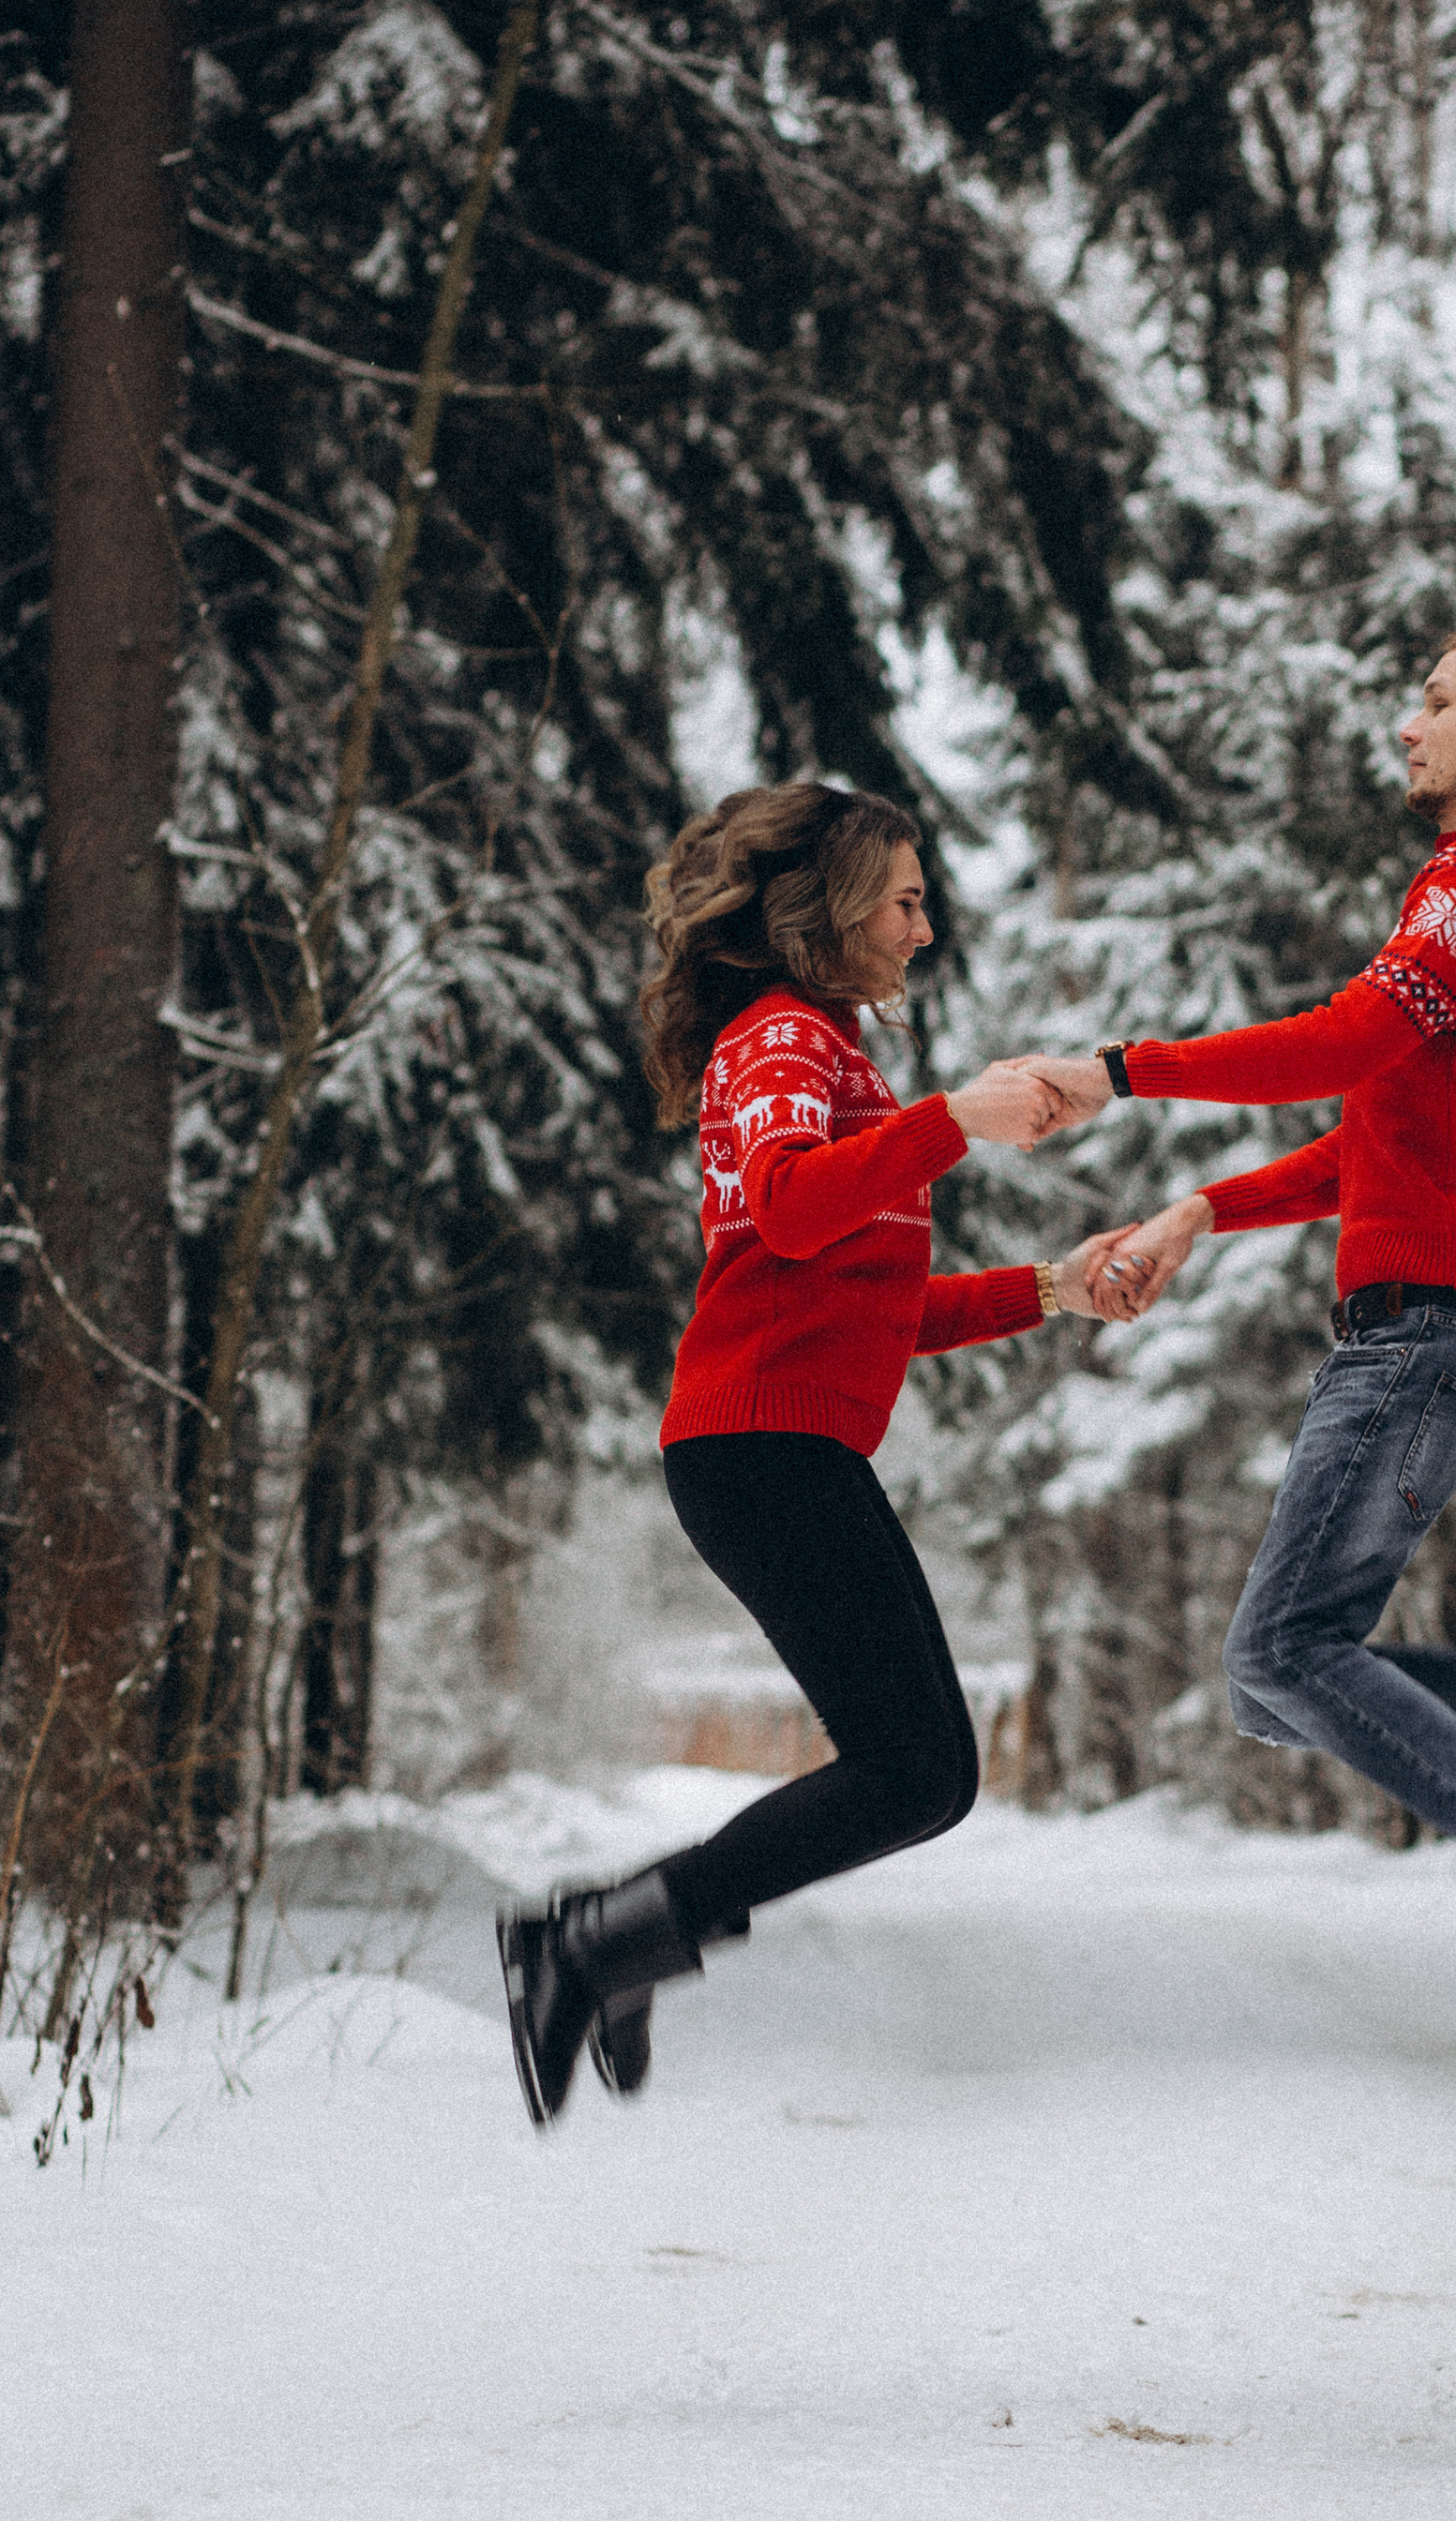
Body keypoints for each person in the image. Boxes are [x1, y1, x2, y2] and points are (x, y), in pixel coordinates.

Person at [1010, 626, 1456, 2098]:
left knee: (1280, 1656)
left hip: (1426, 1334)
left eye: (1440, 700)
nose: (1412, 724)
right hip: (1434, 1329)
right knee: (1280, 1685)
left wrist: (1122, 1069)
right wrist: (1211, 1204)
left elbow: (1353, 1037)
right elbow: (1377, 1133)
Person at [498, 782, 1118, 2129]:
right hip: (763, 1453)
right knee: (919, 1770)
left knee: (920, 1771)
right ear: (827, 911)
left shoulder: (827, 1053)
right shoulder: (783, 1043)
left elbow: (870, 1306)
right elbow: (785, 1208)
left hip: (777, 1450)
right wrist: (956, 1119)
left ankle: (612, 1937)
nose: (925, 927)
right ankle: (599, 1938)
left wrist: (1051, 1290)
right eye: (902, 899)